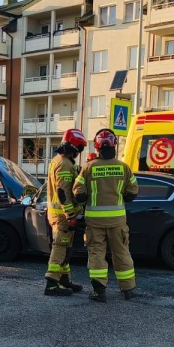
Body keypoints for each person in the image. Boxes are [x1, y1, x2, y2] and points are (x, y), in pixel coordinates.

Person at [74, 129, 139, 302]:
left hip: (94, 222)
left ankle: (99, 291)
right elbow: (133, 192)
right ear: (114, 146)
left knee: (96, 254)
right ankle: (128, 290)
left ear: (97, 146)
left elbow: (78, 193)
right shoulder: (123, 167)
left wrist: (86, 198)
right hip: (117, 221)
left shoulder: (89, 168)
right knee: (121, 253)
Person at [43, 129, 87, 297]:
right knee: (60, 247)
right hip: (62, 216)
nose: (79, 152)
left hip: (58, 214)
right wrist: (71, 215)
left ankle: (64, 280)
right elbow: (63, 193)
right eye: (80, 148)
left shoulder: (58, 160)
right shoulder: (65, 164)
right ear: (74, 147)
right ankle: (51, 284)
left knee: (66, 247)